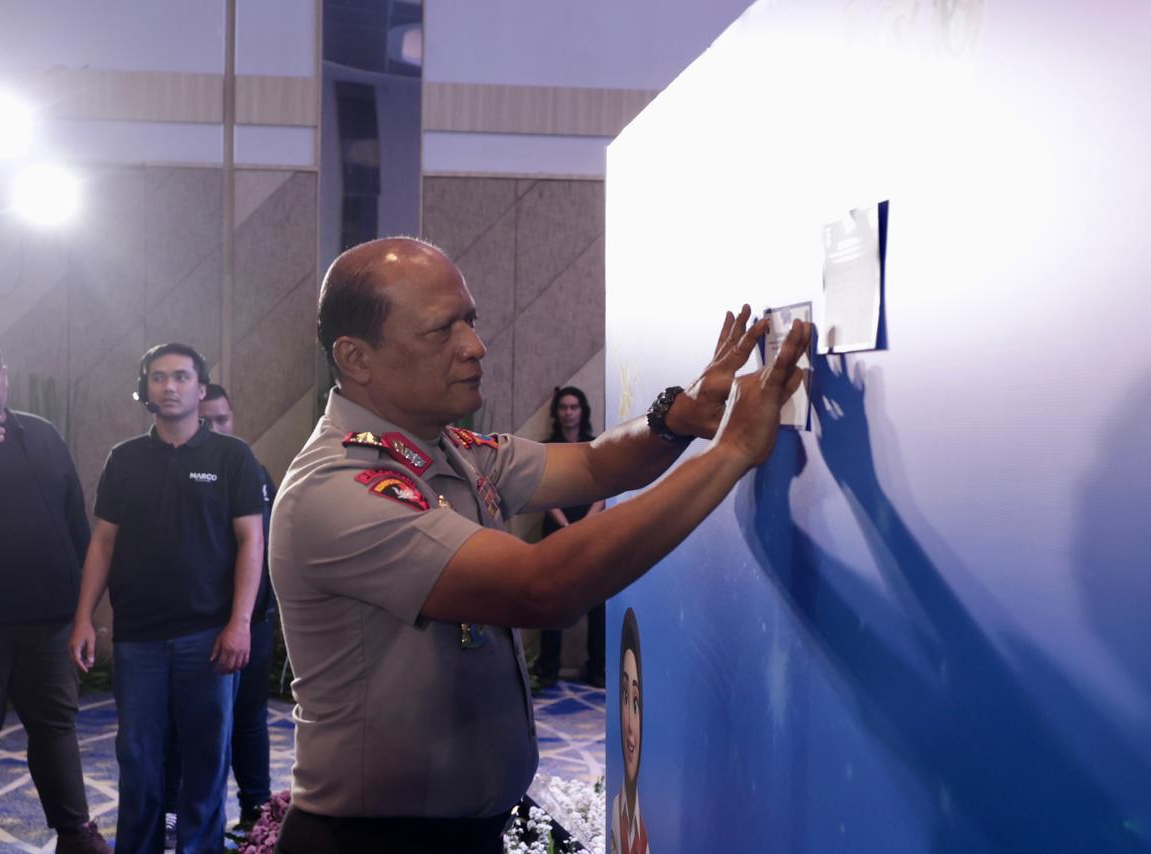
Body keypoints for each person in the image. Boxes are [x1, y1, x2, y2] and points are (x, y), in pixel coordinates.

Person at [270, 237, 809, 854]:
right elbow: (540, 587)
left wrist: (678, 417)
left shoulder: (447, 449)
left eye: (471, 321)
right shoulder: (337, 486)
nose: (475, 346)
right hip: (371, 843)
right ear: (356, 358)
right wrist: (732, 452)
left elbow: (594, 464)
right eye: (442, 330)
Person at [67, 344, 265, 854]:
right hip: (139, 638)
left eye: (181, 376)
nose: (170, 386)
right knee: (138, 761)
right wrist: (83, 618)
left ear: (201, 388)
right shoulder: (125, 458)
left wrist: (240, 622)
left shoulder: (233, 457)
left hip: (209, 636)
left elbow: (251, 541)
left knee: (206, 760)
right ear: (145, 389)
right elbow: (103, 542)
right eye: (158, 377)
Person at [0, 331, 110, 854]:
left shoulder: (41, 434)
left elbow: (75, 524)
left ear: (5, 377)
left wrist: (85, 612)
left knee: (55, 725)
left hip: (46, 615)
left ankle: (74, 832)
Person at [161, 382, 278, 840]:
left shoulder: (253, 470)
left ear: (233, 418)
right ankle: (172, 810)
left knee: (249, 718)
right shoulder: (171, 471)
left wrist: (251, 617)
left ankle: (255, 811)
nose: (214, 427)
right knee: (181, 720)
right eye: (204, 419)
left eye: (221, 419)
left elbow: (267, 543)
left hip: (252, 620)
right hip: (192, 621)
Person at [534, 386, 606, 688]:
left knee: (598, 600)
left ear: (582, 411)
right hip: (556, 528)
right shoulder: (545, 448)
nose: (568, 412)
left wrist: (585, 524)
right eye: (563, 407)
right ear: (557, 412)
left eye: (574, 407)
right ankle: (548, 668)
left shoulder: (597, 445)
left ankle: (598, 668)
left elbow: (607, 486)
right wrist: (565, 525)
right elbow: (540, 490)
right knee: (552, 596)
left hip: (591, 529)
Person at [609, 608, 648, 854]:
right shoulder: (617, 810)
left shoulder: (642, 832)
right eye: (624, 696)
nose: (631, 726)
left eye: (635, 702)